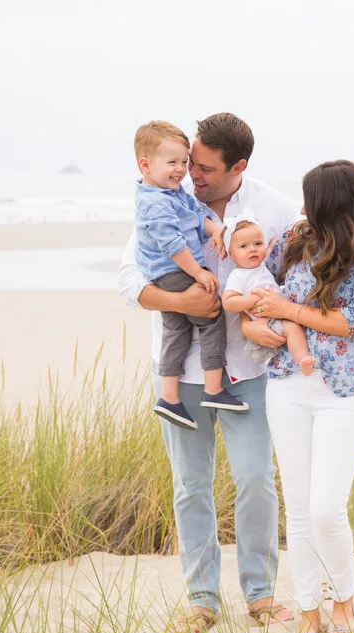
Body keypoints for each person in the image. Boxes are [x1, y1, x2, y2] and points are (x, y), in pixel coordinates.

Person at [117, 113, 298, 633]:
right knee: (190, 487)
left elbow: (295, 279)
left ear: (238, 167)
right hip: (180, 373)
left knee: (256, 479)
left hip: (248, 370)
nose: (192, 174)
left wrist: (265, 320)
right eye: (189, 163)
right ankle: (201, 600)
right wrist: (184, 302)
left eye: (204, 168)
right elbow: (129, 281)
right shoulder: (164, 198)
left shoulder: (273, 208)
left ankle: (260, 594)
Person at [246, 160, 354, 633]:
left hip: (345, 390)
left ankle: (344, 600)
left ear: (333, 203)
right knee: (298, 509)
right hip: (286, 384)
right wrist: (256, 324)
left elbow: (352, 322)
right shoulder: (296, 239)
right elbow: (255, 289)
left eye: (311, 199)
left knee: (327, 509)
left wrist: (288, 311)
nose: (303, 207)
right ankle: (309, 608)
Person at [132, 120, 248, 430]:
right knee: (211, 316)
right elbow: (173, 245)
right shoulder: (155, 202)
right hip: (174, 272)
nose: (182, 170)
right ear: (145, 165)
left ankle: (169, 397)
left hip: (168, 274)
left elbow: (196, 216)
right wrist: (198, 273)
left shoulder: (170, 193)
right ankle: (214, 389)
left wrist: (216, 230)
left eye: (185, 162)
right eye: (173, 162)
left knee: (176, 329)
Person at [220, 210, 315, 375]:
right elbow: (228, 302)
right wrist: (252, 298)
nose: (252, 250)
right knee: (292, 329)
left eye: (258, 244)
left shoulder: (262, 266)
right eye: (244, 246)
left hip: (279, 310)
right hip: (267, 320)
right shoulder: (238, 275)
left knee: (295, 327)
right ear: (231, 255)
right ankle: (303, 359)